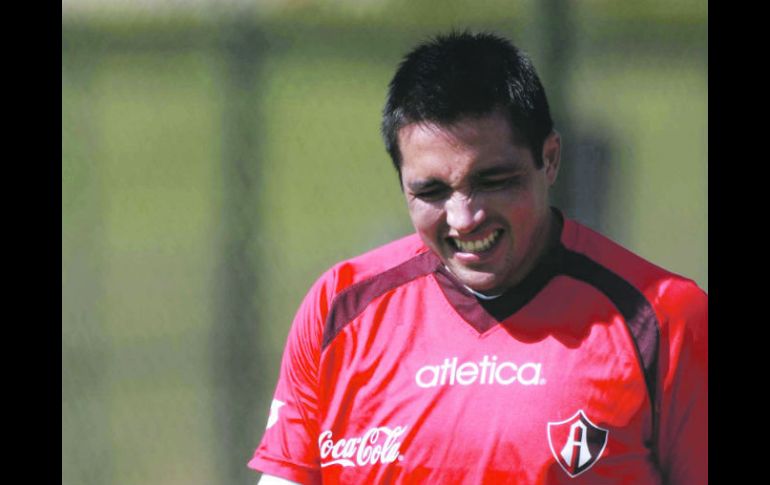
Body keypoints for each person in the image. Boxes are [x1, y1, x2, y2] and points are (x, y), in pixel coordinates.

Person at [248, 31, 707, 484]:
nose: (464, 219)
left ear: (549, 159)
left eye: (492, 181)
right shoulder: (340, 308)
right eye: (431, 191)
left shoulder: (664, 319)